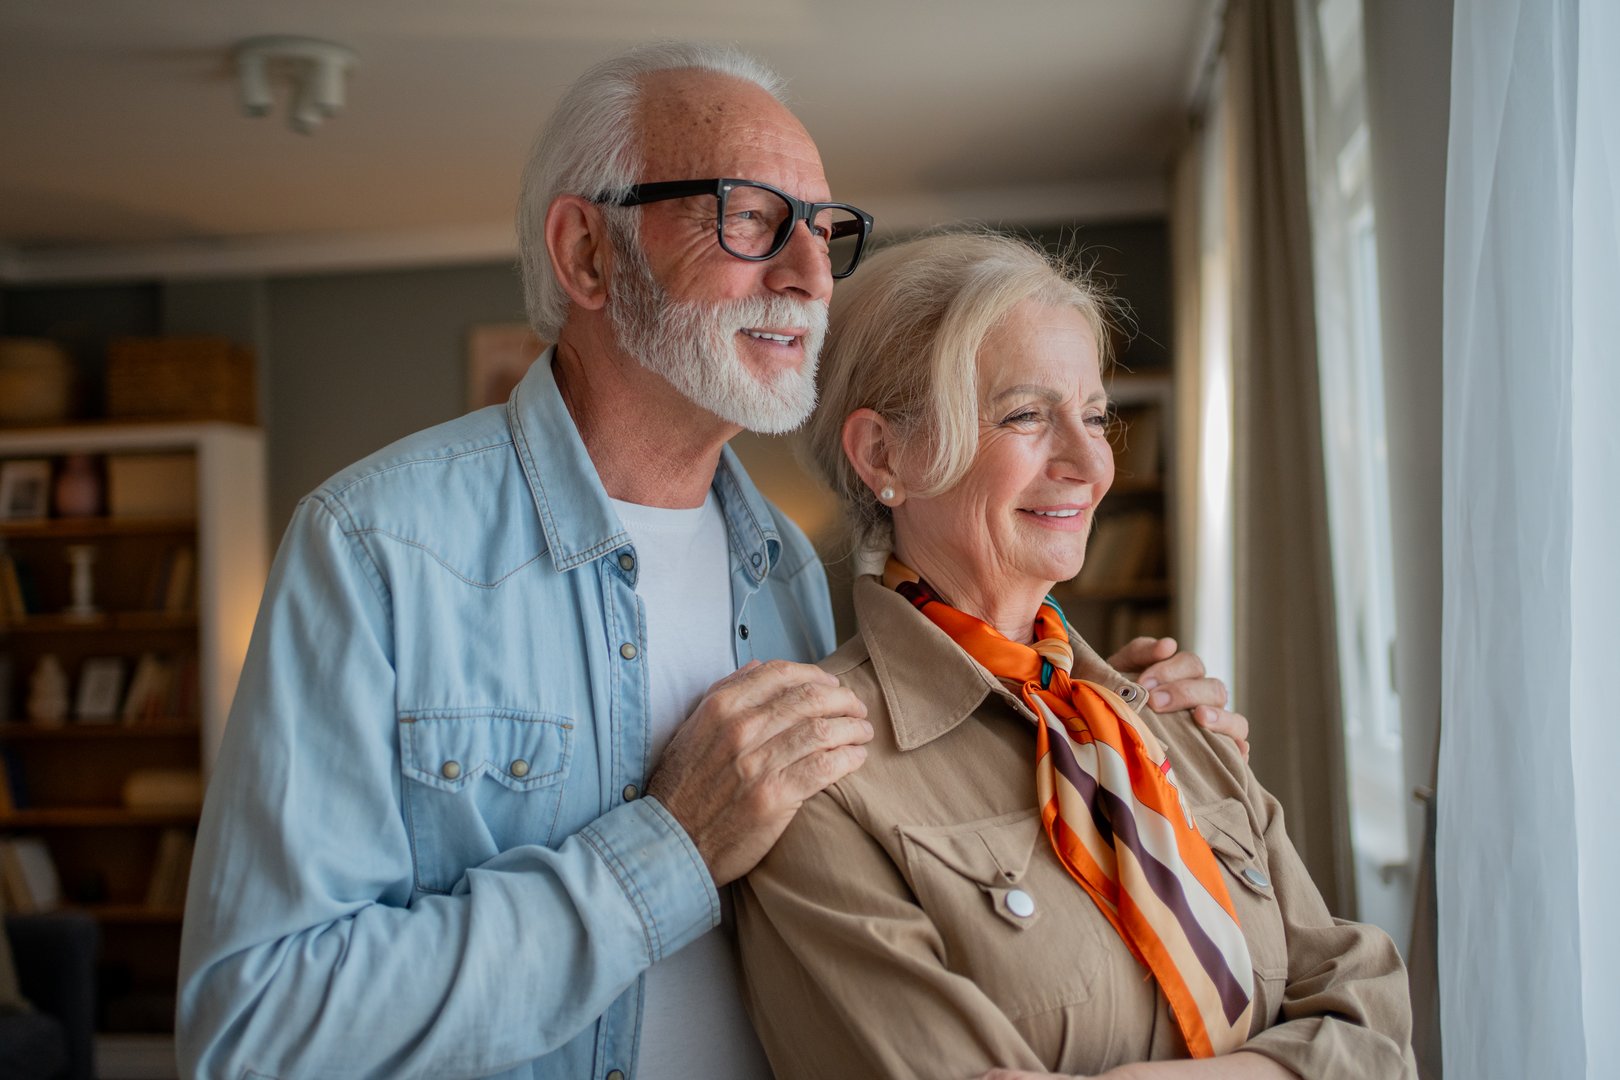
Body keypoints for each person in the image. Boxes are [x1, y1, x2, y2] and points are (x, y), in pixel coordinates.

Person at [177, 44, 1246, 1079]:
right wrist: (666, 851)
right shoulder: (378, 550)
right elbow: (254, 1030)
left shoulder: (797, 572)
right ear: (588, 253)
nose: (811, 275)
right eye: (748, 219)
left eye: (826, 231)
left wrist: (1138, 743)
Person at [737, 232, 1417, 1080]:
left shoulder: (1169, 717)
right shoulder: (821, 773)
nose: (1092, 463)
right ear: (885, 455)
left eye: (1095, 416)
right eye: (1026, 414)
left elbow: (1376, 1009)